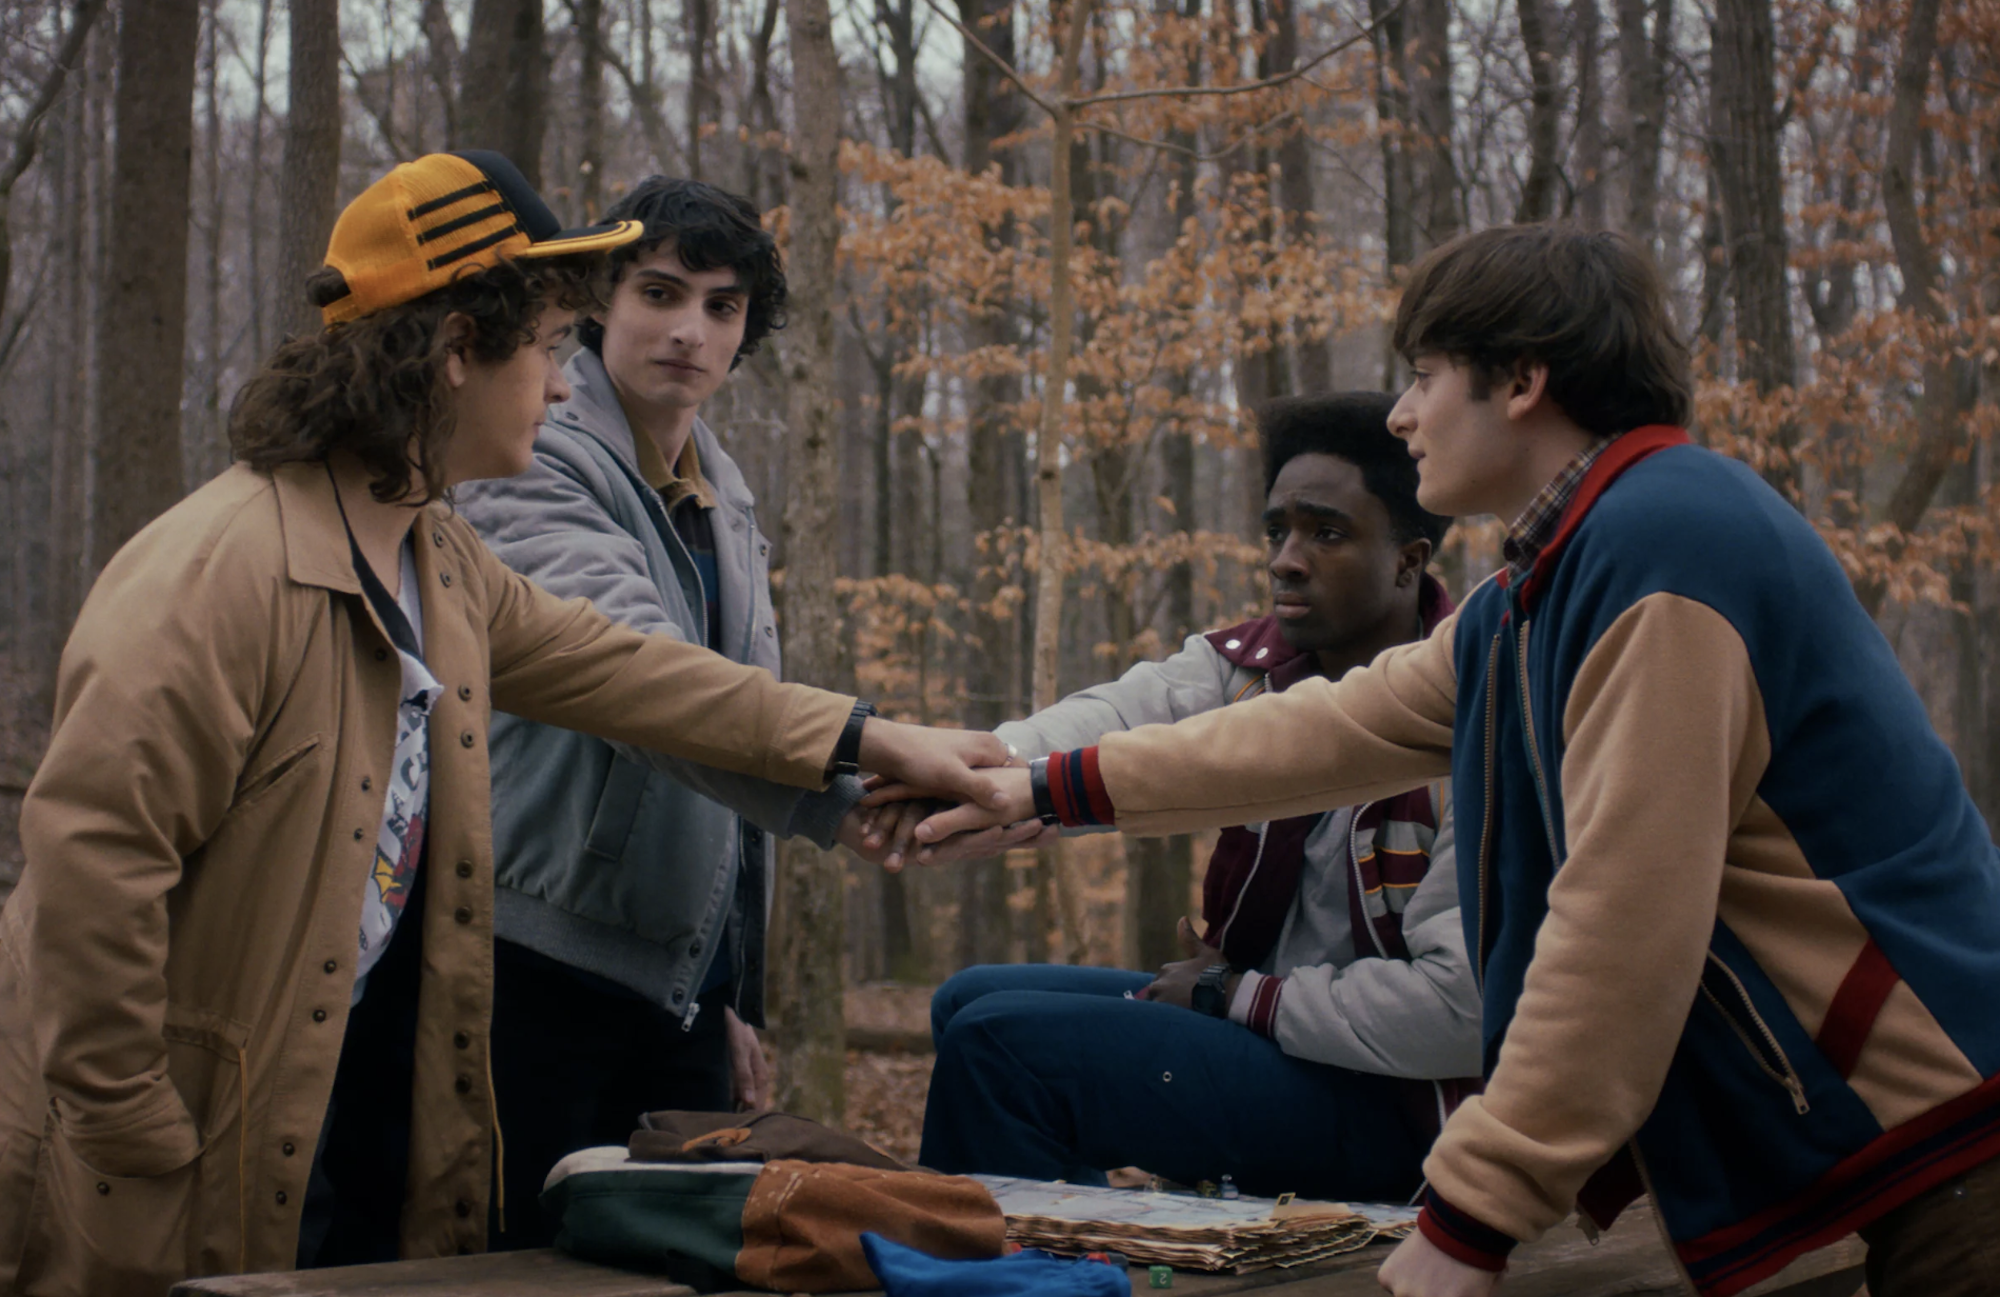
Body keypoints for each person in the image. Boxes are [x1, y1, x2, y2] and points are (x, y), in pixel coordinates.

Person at [908, 224, 2000, 1297]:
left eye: (1423, 374)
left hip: (1951, 1136)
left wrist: (1474, 1208)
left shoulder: (1664, 551)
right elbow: (1327, 729)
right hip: (1888, 1144)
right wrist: (1042, 786)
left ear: (1519, 380)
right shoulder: (1542, 589)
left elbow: (1619, 925)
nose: (1400, 412)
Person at [0, 150, 1002, 1297]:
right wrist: (136, 1129)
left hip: (306, 1114)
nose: (564, 385)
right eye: (541, 349)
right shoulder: (218, 571)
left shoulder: (437, 558)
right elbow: (92, 861)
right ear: (453, 350)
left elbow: (633, 673)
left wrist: (874, 743)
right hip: (153, 1157)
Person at [915, 393, 1478, 1203]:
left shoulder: (1468, 720)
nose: (1286, 558)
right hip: (1272, 1036)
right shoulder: (1249, 669)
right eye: (1276, 529)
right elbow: (1112, 718)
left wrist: (1232, 994)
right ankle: (1082, 1251)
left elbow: (1461, 1011)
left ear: (1407, 559)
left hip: (1398, 1107)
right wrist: (971, 769)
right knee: (968, 998)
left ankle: (1022, 1266)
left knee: (999, 1046)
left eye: (1326, 532)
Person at [456, 176, 880, 1246]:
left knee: (670, 1267)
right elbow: (655, 685)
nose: (688, 331)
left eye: (722, 307)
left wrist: (729, 984)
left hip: (674, 985)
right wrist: (865, 777)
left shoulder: (722, 491)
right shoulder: (529, 452)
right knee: (519, 1262)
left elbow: (726, 763)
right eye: (659, 292)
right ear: (602, 301)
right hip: (532, 960)